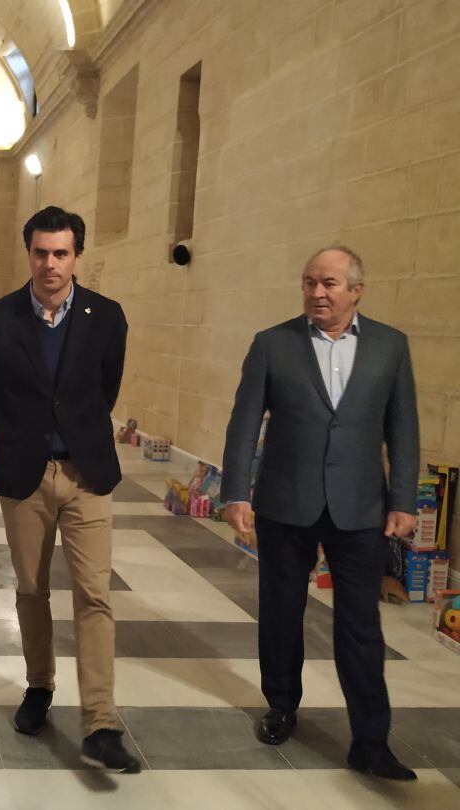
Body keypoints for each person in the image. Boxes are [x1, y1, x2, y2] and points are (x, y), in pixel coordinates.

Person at [221, 247, 419, 781]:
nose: (317, 293)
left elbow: (404, 429)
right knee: (281, 613)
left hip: (361, 508)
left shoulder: (390, 347)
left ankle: (371, 740)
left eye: (328, 283)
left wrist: (403, 499)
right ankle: (282, 706)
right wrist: (236, 491)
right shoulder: (272, 344)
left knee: (361, 625)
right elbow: (243, 423)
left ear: (357, 289)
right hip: (286, 503)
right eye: (309, 282)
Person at [0, 206, 138, 773]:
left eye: (61, 253)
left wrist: (74, 436)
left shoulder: (107, 316)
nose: (50, 263)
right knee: (31, 588)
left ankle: (101, 721)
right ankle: (39, 686)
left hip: (87, 473)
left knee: (94, 594)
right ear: (30, 254)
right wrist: (26, 440)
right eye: (41, 252)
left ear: (76, 257)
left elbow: (103, 390)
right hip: (26, 476)